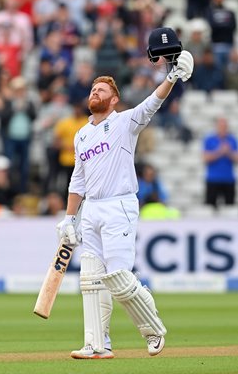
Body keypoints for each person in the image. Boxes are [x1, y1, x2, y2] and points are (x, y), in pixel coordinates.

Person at [56, 27, 194, 359]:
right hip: (91, 210)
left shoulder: (124, 122)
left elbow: (151, 103)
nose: (95, 91)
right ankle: (96, 343)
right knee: (90, 280)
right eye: (92, 88)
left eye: (101, 89)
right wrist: (68, 219)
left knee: (117, 277)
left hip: (119, 206)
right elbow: (78, 180)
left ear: (113, 99)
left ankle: (153, 329)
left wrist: (172, 77)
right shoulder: (81, 135)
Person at [202, 117, 238, 208]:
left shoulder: (232, 139)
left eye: (224, 126)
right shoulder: (209, 139)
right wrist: (219, 152)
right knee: (210, 207)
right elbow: (205, 158)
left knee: (230, 207)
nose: (223, 128)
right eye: (221, 126)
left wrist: (228, 152)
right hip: (213, 179)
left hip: (228, 179)